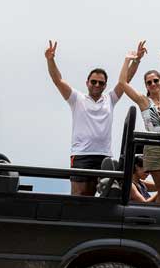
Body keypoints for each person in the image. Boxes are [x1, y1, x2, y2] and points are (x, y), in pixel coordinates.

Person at [45, 39, 141, 196]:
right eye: (93, 82)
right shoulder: (77, 98)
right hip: (82, 154)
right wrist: (50, 60)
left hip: (104, 156)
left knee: (107, 197)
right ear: (87, 83)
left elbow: (126, 80)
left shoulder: (110, 98)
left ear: (105, 85)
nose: (97, 85)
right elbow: (58, 80)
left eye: (100, 83)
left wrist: (136, 61)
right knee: (80, 195)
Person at [116, 42, 160, 203]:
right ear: (146, 87)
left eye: (156, 80)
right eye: (149, 82)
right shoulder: (144, 101)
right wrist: (129, 60)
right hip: (155, 148)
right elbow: (122, 83)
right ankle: (155, 221)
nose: (153, 84)